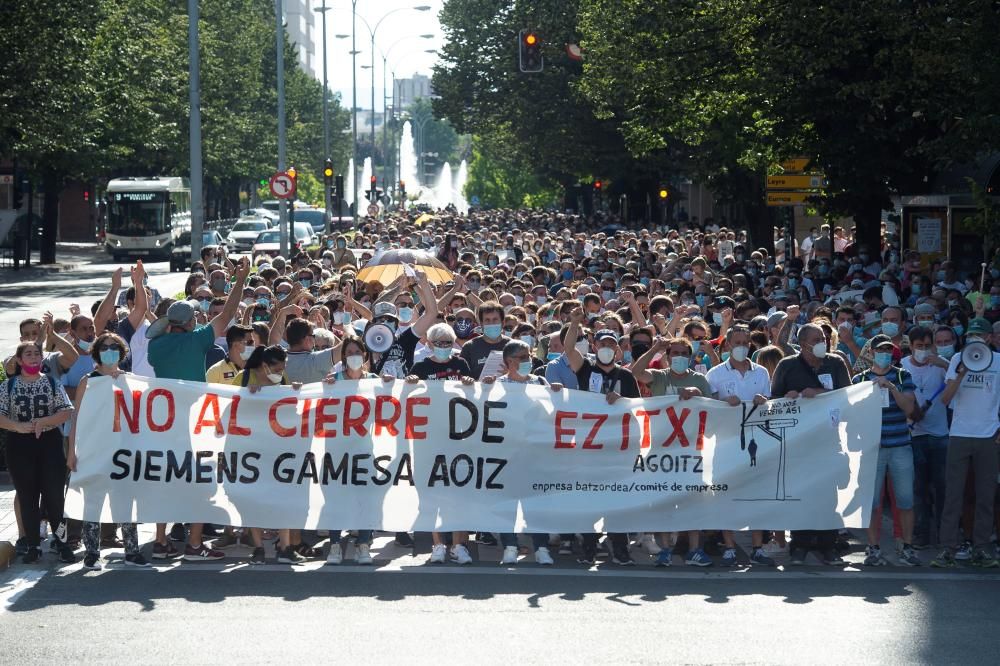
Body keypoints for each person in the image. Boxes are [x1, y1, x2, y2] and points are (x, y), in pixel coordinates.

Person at [146, 257, 251, 561]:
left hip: (163, 423)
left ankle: (161, 542)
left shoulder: (156, 347)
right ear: (190, 322)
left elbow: (160, 335)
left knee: (166, 481)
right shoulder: (197, 340)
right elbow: (229, 313)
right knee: (201, 481)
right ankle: (194, 544)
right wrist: (240, 278)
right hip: (195, 423)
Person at [770, 323, 853, 565]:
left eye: (824, 338)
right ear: (804, 342)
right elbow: (773, 399)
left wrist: (818, 392)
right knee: (801, 493)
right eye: (816, 339)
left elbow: (847, 396)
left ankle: (829, 546)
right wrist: (789, 398)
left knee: (829, 495)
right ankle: (800, 545)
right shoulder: (787, 365)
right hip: (798, 441)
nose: (822, 342)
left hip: (828, 439)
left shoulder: (835, 363)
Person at [66, 332, 148, 570]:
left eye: (114, 346)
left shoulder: (131, 380)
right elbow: (76, 418)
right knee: (93, 502)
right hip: (93, 451)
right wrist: (72, 451)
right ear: (97, 352)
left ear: (121, 352)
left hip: (123, 453)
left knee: (125, 501)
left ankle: (132, 551)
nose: (110, 350)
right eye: (105, 346)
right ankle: (92, 552)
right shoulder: (87, 381)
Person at [564, 308, 639, 566]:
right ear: (594, 346)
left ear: (618, 350)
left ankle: (619, 547)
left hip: (617, 447)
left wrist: (624, 401)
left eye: (612, 344)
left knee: (617, 497)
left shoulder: (626, 376)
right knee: (589, 497)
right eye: (603, 343)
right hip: (589, 447)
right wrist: (574, 323)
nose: (607, 347)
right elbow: (569, 349)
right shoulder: (585, 369)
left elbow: (638, 408)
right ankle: (588, 545)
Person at [632, 335, 714, 566]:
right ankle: (665, 550)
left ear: (690, 357)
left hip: (691, 450)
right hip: (661, 449)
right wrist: (654, 349)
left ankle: (694, 550)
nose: (678, 357)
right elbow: (635, 372)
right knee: (663, 499)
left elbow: (713, 409)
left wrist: (698, 395)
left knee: (692, 500)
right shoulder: (659, 377)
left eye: (683, 354)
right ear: (668, 357)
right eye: (674, 353)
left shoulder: (700, 379)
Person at [406, 323, 481, 565]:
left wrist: (471, 385)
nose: (444, 347)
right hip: (429, 437)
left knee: (460, 492)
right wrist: (410, 383)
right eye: (439, 343)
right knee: (431, 492)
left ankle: (459, 545)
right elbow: (408, 396)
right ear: (429, 344)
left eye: (448, 343)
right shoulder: (421, 367)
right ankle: (438, 544)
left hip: (459, 436)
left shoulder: (460, 365)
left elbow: (475, 398)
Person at [931, 318, 1000, 568]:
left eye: (980, 336)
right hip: (960, 434)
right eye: (971, 336)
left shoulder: (999, 363)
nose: (975, 341)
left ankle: (980, 549)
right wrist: (961, 373)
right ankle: (947, 549)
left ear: (989, 339)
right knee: (953, 495)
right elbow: (945, 400)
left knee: (985, 495)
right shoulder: (958, 359)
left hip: (988, 435)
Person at [0, 342, 76, 564]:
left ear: (42, 359)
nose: (33, 357)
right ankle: (33, 545)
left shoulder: (52, 382)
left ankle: (61, 544)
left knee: (54, 497)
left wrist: (45, 421)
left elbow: (67, 410)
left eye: (37, 354)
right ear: (20, 360)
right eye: (28, 354)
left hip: (49, 443)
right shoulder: (9, 386)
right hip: (19, 444)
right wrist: (17, 426)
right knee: (27, 497)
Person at [705, 326, 775, 566]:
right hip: (725, 443)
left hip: (756, 441)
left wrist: (764, 402)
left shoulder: (762, 372)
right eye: (737, 342)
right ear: (727, 345)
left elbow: (770, 403)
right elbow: (706, 407)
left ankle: (758, 547)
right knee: (725, 493)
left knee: (756, 493)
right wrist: (722, 402)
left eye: (746, 342)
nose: (742, 346)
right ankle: (729, 546)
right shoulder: (714, 374)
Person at [851, 335, 921, 566]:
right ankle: (873, 548)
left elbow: (909, 409)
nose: (884, 354)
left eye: (888, 350)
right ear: (871, 352)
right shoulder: (860, 378)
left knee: (905, 499)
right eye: (880, 350)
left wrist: (891, 387)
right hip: (872, 449)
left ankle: (907, 547)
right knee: (871, 502)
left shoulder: (902, 375)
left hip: (900, 446)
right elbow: (852, 414)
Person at [323, 337, 394, 565]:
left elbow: (395, 401)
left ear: (365, 355)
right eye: (349, 351)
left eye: (357, 351)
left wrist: (399, 383)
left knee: (365, 498)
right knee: (336, 498)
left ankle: (363, 544)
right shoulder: (333, 382)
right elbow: (312, 400)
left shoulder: (375, 381)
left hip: (364, 449)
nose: (353, 355)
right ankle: (335, 545)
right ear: (343, 357)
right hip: (336, 450)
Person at [490, 339, 560, 566]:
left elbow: (553, 411)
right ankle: (509, 546)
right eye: (522, 357)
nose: (528, 361)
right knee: (506, 504)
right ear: (509, 361)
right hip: (505, 454)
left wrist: (557, 393)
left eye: (528, 356)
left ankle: (541, 548)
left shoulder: (540, 382)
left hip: (535, 456)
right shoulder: (496, 385)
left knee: (536, 504)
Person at [233, 344, 305, 565]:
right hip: (248, 450)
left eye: (283, 369)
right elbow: (227, 407)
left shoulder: (281, 382)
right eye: (277, 368)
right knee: (252, 500)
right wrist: (245, 396)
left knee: (282, 497)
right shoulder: (243, 380)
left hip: (277, 450)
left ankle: (285, 547)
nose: (280, 373)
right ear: (264, 366)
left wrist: (294, 392)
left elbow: (289, 412)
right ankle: (258, 548)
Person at [901, 326, 950, 548]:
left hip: (940, 435)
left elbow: (961, 380)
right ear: (910, 346)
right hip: (915, 434)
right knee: (918, 488)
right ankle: (922, 532)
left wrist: (946, 366)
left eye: (927, 346)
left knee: (942, 486)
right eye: (918, 346)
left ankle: (943, 531)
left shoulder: (941, 366)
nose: (923, 350)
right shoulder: (902, 367)